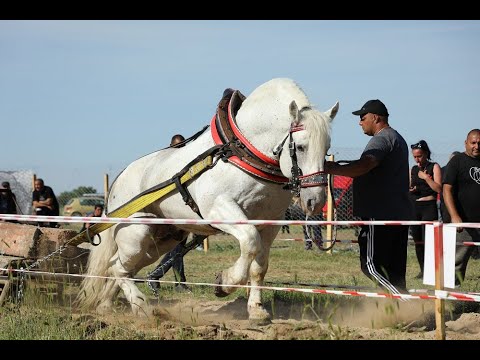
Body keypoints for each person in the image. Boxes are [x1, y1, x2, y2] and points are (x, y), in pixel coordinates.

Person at [324, 99, 413, 295]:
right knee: (394, 270)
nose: (360, 122)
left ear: (376, 118)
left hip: (378, 214)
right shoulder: (396, 138)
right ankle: (403, 314)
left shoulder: (381, 140)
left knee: (370, 266)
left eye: (363, 118)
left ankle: (408, 304)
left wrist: (333, 168)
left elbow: (366, 165)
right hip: (397, 212)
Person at [147, 134, 195, 293]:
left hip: (183, 211)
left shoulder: (184, 162)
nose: (180, 149)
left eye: (182, 146)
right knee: (177, 248)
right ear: (171, 146)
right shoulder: (166, 163)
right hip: (170, 213)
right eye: (177, 146)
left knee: (178, 248)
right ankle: (167, 280)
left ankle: (163, 278)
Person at [443, 129, 480, 287]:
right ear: (466, 143)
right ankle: (451, 301)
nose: (476, 146)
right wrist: (454, 216)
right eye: (473, 143)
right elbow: (446, 189)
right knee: (455, 264)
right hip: (463, 224)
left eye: (479, 143)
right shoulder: (457, 161)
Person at [408, 140, 442, 279]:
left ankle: (432, 271)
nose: (417, 159)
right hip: (415, 207)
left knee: (429, 240)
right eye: (415, 156)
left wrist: (426, 179)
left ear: (426, 154)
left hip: (429, 206)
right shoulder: (413, 169)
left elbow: (439, 188)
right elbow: (411, 186)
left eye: (420, 156)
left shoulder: (434, 167)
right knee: (418, 241)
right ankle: (422, 270)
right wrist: (412, 189)